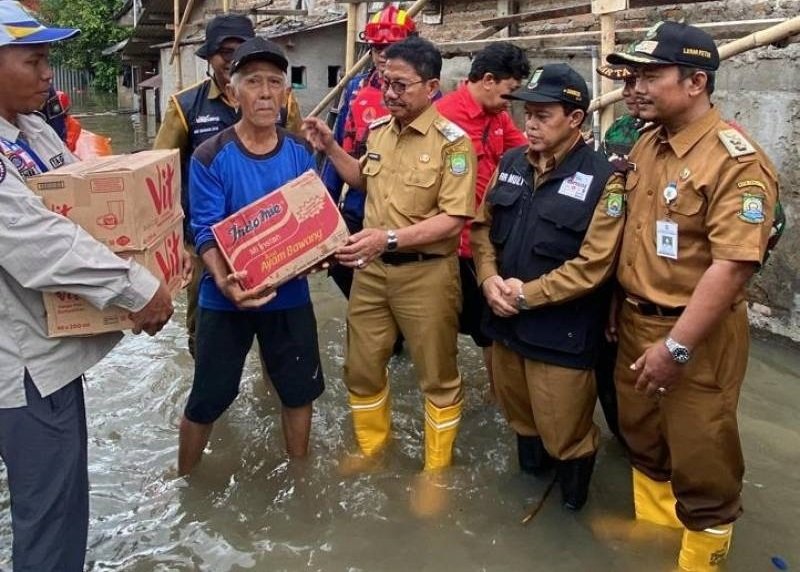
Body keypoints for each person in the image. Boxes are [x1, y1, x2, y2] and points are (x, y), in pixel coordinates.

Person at [0, 2, 174, 570]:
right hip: (21, 368)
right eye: (35, 60)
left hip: (47, 356)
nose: (48, 73)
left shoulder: (27, 130)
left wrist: (159, 249)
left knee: (60, 501)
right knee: (49, 517)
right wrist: (138, 288)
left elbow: (84, 198)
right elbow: (40, 241)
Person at [605, 21, 779, 570]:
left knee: (703, 454)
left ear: (696, 82)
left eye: (650, 75)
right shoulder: (648, 144)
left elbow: (732, 266)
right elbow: (637, 235)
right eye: (632, 75)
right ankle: (655, 535)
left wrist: (676, 348)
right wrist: (619, 302)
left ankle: (700, 557)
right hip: (636, 322)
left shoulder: (736, 161)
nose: (634, 87)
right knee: (644, 438)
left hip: (695, 336)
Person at [304, 37, 476, 477]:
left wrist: (389, 239)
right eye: (386, 83)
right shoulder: (379, 130)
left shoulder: (452, 144)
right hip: (372, 272)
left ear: (432, 86)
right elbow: (362, 178)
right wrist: (330, 145)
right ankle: (372, 449)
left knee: (437, 377)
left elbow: (454, 219)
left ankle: (436, 471)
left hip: (428, 275)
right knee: (361, 367)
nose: (391, 93)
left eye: (402, 85)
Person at [470, 63, 625, 510]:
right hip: (505, 326)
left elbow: (595, 264)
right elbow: (482, 230)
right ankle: (530, 492)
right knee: (520, 420)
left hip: (561, 335)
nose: (530, 124)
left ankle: (573, 512)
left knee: (566, 436)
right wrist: (488, 280)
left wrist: (525, 295)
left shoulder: (605, 178)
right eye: (527, 114)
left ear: (575, 119)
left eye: (543, 115)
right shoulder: (512, 162)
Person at [177, 37, 325, 476]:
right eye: (254, 82)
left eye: (275, 83)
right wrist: (224, 281)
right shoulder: (209, 155)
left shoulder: (300, 152)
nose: (265, 92)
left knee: (298, 392)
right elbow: (204, 228)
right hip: (225, 297)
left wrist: (320, 253)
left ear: (285, 93)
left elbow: (311, 217)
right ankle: (185, 480)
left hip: (289, 296)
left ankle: (299, 477)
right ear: (233, 89)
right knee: (208, 395)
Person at [153, 14, 301, 356]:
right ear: (209, 57)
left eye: (239, 51)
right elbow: (161, 173)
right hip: (207, 241)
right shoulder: (186, 105)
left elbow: (300, 168)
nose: (231, 60)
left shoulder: (282, 102)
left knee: (276, 329)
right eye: (225, 53)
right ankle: (207, 381)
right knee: (206, 328)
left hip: (271, 235)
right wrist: (171, 240)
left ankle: (272, 385)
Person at [435, 42, 529, 399]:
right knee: (458, 327)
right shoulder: (444, 119)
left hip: (490, 240)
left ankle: (497, 397)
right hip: (453, 245)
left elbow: (521, 151)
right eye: (510, 91)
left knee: (493, 325)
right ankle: (468, 398)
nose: (511, 101)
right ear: (488, 80)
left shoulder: (498, 116)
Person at [321, 4, 417, 299]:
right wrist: (325, 206)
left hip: (406, 205)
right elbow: (337, 147)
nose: (384, 55)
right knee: (338, 262)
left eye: (392, 47)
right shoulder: (355, 89)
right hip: (360, 198)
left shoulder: (426, 93)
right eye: (378, 48)